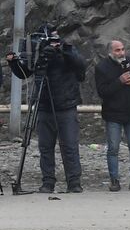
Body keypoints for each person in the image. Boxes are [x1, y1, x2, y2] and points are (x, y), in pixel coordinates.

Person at [6, 25, 87, 194]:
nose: (54, 41)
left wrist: (61, 51)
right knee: (45, 147)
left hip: (66, 105)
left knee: (70, 146)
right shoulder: (37, 50)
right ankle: (48, 182)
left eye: (56, 37)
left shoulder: (66, 48)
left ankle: (74, 182)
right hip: (43, 105)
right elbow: (24, 72)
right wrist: (14, 63)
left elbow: (80, 64)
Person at [93, 39, 130, 191]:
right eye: (117, 50)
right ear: (110, 52)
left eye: (123, 49)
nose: (121, 53)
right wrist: (119, 81)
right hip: (113, 114)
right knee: (113, 148)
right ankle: (114, 180)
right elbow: (102, 91)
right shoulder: (102, 67)